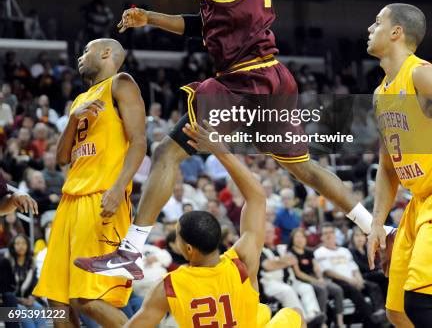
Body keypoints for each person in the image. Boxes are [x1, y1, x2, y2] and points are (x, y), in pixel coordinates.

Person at [76, 0, 376, 278]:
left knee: (167, 152)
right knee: (305, 169)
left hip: (244, 80)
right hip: (266, 77)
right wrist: (150, 17)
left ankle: (129, 252)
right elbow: (201, 28)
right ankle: (375, 227)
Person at [123, 121, 302, 327]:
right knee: (292, 313)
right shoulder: (241, 261)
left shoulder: (168, 286)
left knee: (261, 312)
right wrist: (219, 149)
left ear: (188, 249)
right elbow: (257, 198)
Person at [33, 38, 147, 328]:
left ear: (106, 52)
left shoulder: (121, 83)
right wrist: (72, 120)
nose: (80, 57)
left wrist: (118, 187)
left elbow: (139, 142)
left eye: (86, 51)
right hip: (70, 199)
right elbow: (61, 158)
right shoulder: (81, 100)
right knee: (57, 300)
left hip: (101, 197)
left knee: (86, 299)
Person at [367, 3, 432, 328]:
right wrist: (376, 222)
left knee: (421, 302)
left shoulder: (421, 74)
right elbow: (388, 167)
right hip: (418, 206)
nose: (370, 29)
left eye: (377, 23)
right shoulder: (380, 94)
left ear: (396, 32)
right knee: (397, 310)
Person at [314, 224, 385, 327]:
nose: (329, 235)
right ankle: (372, 321)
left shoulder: (344, 251)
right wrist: (349, 280)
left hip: (353, 280)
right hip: (337, 281)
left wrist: (359, 279)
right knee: (354, 291)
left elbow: (354, 268)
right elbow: (327, 272)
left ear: (335, 234)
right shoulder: (320, 252)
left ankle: (380, 312)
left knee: (373, 286)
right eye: (325, 233)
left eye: (331, 232)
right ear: (321, 237)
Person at [288, 227, 345, 328]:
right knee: (322, 290)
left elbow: (317, 268)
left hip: (314, 279)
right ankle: (321, 321)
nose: (300, 239)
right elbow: (298, 273)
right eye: (297, 237)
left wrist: (320, 278)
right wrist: (315, 281)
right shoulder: (290, 253)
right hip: (301, 281)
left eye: (302, 237)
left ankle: (340, 323)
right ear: (292, 239)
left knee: (337, 290)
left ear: (305, 239)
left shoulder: (309, 252)